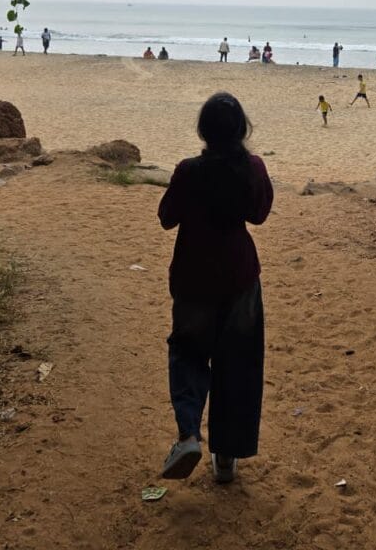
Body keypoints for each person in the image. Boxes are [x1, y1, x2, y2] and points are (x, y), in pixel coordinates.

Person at [158, 92, 273, 484]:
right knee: (237, 364)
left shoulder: (189, 171)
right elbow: (259, 214)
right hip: (240, 277)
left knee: (188, 354)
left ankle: (189, 434)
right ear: (242, 130)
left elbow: (166, 218)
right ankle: (226, 457)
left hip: (192, 278)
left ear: (203, 131)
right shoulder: (252, 168)